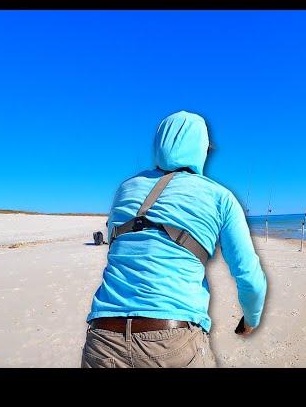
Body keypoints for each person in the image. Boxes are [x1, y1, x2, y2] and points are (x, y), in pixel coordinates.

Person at [81, 111, 267, 368]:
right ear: (201, 150)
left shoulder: (125, 189)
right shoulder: (220, 197)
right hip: (172, 340)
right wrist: (251, 320)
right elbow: (249, 277)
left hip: (102, 339)